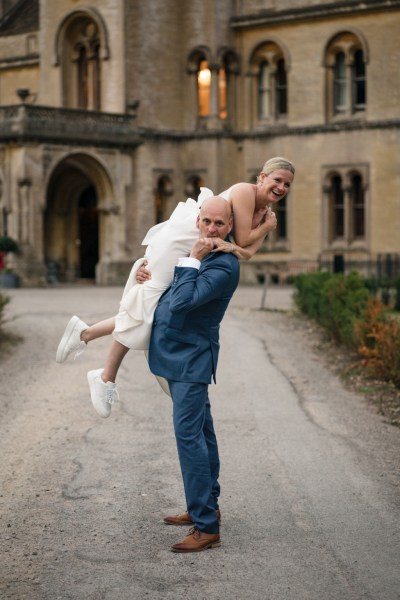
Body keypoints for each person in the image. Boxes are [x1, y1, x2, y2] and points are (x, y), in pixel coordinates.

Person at [56, 157, 295, 416]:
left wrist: (252, 236)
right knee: (147, 304)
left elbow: (245, 253)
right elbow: (244, 240)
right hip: (180, 243)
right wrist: (267, 228)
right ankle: (104, 375)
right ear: (261, 177)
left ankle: (86, 337)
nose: (281, 187)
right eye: (277, 180)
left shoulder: (264, 215)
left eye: (287, 184)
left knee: (151, 307)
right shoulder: (245, 193)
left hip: (192, 249)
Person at [148, 195, 240, 552]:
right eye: (207, 221)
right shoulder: (198, 253)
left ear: (230, 226)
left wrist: (194, 259)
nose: (212, 229)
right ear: (198, 220)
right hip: (177, 354)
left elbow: (184, 302)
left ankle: (206, 526)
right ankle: (207, 505)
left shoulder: (223, 266)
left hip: (191, 359)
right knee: (203, 431)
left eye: (219, 223)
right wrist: (148, 270)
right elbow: (169, 287)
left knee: (190, 438)